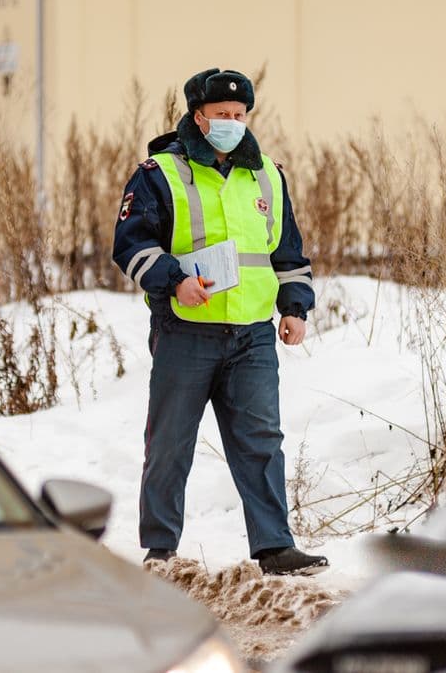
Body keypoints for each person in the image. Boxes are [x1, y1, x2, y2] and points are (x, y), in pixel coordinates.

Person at [112, 67, 328, 576]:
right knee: (169, 444)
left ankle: (276, 548)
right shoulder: (158, 174)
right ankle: (161, 550)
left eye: (240, 114)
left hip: (252, 336)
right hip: (185, 331)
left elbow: (287, 252)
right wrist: (173, 279)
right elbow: (131, 245)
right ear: (198, 117)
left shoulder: (268, 176)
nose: (232, 122)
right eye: (221, 115)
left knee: (261, 442)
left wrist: (294, 307)